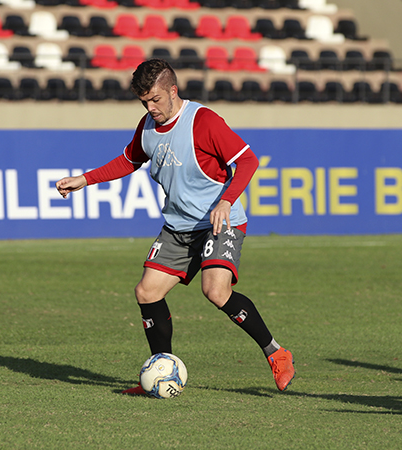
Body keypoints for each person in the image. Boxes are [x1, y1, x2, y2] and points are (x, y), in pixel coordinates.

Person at [56, 59, 295, 393]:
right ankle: (161, 369)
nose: (150, 108)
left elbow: (247, 160)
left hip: (218, 221)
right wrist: (85, 179)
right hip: (178, 226)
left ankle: (276, 353)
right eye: (144, 102)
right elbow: (129, 160)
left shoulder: (203, 121)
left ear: (173, 90)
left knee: (216, 291)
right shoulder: (148, 126)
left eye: (155, 99)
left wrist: (227, 200)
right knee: (147, 292)